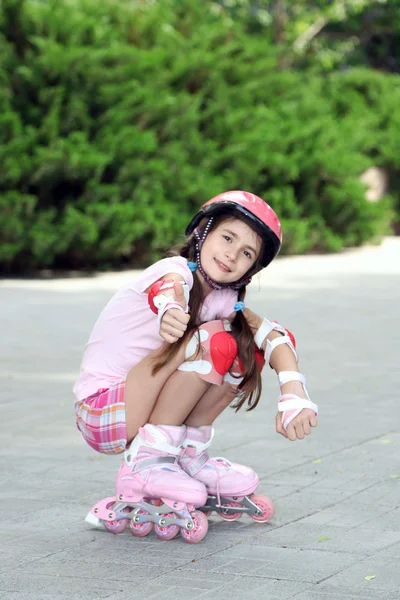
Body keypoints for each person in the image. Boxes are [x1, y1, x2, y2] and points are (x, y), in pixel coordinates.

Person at [74, 190, 318, 543]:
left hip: (139, 401)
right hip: (103, 411)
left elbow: (275, 336)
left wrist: (293, 392)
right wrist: (171, 310)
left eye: (247, 252)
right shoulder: (173, 272)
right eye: (227, 237)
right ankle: (146, 464)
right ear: (203, 231)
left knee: (243, 348)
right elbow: (168, 289)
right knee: (215, 339)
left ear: (253, 268)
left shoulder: (225, 298)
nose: (232, 254)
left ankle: (187, 455)